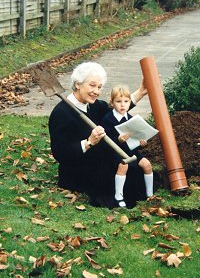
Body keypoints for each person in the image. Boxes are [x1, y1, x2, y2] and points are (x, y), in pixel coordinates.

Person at [49, 61, 148, 209]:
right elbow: (60, 153)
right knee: (114, 182)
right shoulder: (61, 113)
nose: (96, 91)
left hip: (100, 160)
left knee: (135, 171)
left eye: (99, 87)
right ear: (78, 84)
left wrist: (140, 92)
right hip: (77, 169)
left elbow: (117, 111)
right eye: (92, 85)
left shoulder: (94, 105)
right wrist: (89, 142)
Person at [101, 84, 154, 207]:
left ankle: (150, 195)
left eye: (126, 101)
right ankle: (118, 196)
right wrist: (118, 139)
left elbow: (135, 139)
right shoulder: (108, 119)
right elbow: (106, 140)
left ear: (130, 102)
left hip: (131, 150)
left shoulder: (131, 119)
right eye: (118, 101)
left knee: (147, 164)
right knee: (123, 165)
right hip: (116, 151)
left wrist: (142, 143)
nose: (122, 104)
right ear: (112, 103)